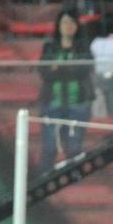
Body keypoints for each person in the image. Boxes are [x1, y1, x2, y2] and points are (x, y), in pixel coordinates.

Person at [38, 10, 92, 171]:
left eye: (71, 22)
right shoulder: (49, 47)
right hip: (52, 103)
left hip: (78, 104)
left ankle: (73, 180)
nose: (68, 26)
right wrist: (68, 68)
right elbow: (44, 72)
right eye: (65, 22)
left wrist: (58, 68)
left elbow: (84, 70)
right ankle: (43, 180)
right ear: (58, 26)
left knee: (74, 147)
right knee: (49, 148)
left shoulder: (84, 47)